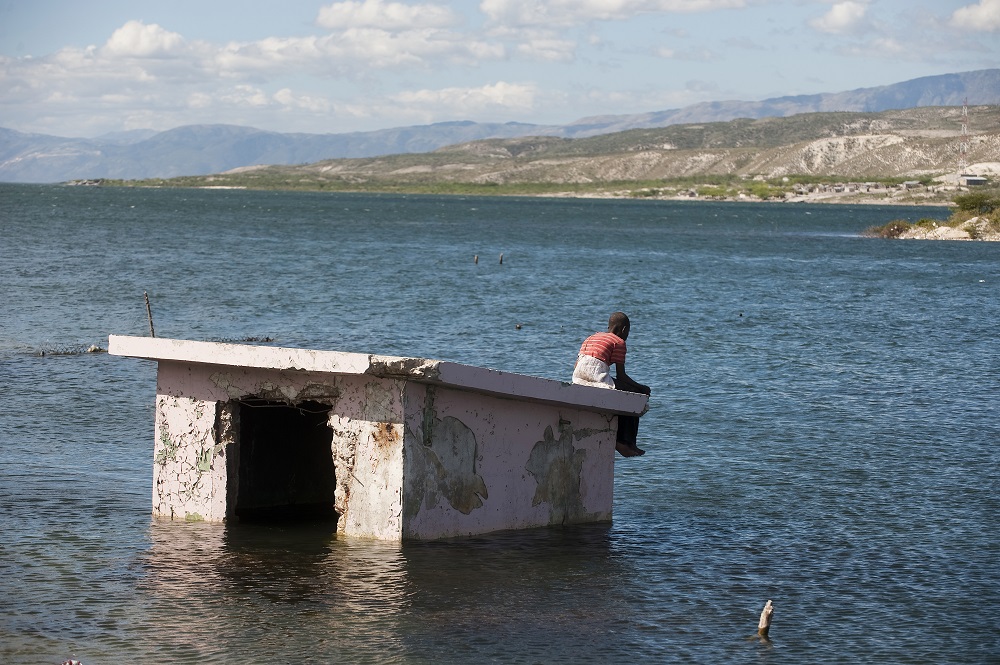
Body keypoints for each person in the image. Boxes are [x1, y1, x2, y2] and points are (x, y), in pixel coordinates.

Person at [572, 312, 651, 457]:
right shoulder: (618, 342)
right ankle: (626, 443)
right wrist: (642, 388)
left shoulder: (591, 337)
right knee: (634, 395)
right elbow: (622, 376)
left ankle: (626, 442)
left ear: (609, 326)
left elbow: (577, 364)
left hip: (578, 376)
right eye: (628, 332)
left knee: (624, 391)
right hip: (596, 375)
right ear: (624, 329)